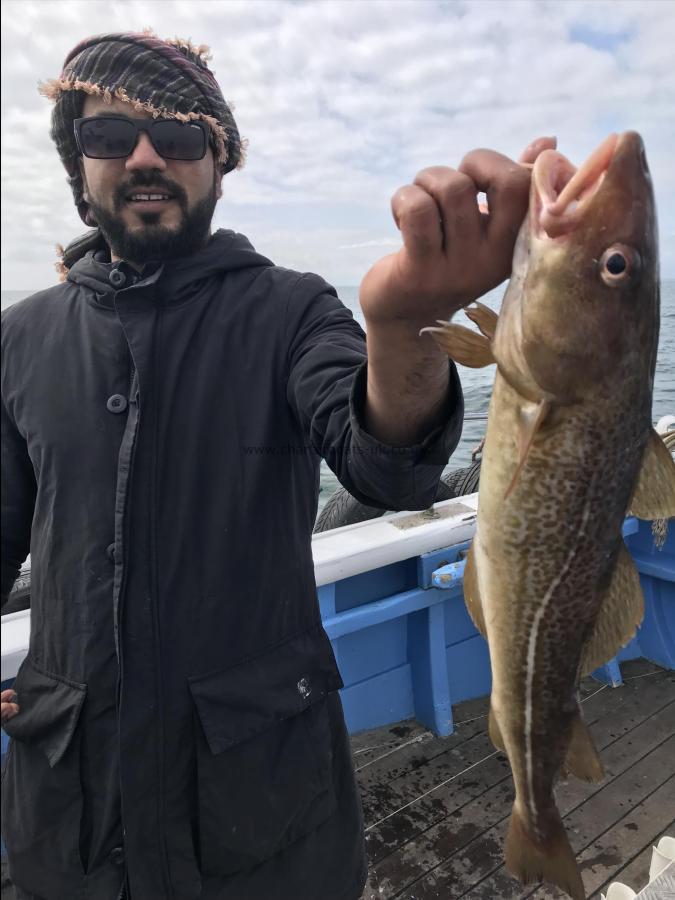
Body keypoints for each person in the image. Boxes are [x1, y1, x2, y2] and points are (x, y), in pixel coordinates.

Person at [0, 30, 553, 900]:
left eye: (181, 138)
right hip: (67, 823)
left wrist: (407, 326)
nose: (147, 158)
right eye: (110, 137)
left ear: (219, 161)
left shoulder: (294, 309)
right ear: (77, 161)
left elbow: (386, 463)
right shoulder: (20, 337)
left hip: (260, 823)